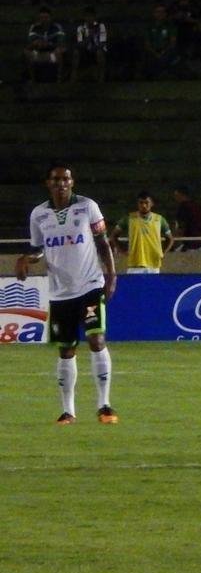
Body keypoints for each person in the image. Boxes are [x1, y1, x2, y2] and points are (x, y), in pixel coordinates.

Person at [14, 163, 118, 425]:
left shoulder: (87, 207)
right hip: (60, 292)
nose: (62, 183)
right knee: (66, 350)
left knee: (96, 340)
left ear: (72, 182)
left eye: (66, 179)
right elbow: (39, 248)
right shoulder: (38, 215)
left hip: (90, 285)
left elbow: (103, 242)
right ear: (48, 183)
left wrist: (112, 275)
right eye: (56, 179)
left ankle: (104, 405)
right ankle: (68, 411)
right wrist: (28, 258)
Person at [110, 191, 174, 273]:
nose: (144, 205)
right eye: (141, 203)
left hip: (153, 263)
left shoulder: (159, 219)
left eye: (147, 203)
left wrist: (163, 253)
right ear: (138, 204)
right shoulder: (129, 218)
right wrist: (122, 251)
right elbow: (113, 236)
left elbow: (170, 239)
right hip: (135, 264)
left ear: (152, 204)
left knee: (152, 286)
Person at [70, 5, 107, 83]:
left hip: (97, 49)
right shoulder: (80, 28)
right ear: (84, 17)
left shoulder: (101, 26)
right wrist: (89, 37)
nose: (89, 18)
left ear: (94, 17)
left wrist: (95, 47)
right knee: (76, 52)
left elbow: (103, 42)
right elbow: (80, 43)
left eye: (91, 16)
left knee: (99, 52)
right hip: (85, 50)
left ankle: (101, 78)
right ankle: (73, 77)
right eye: (87, 16)